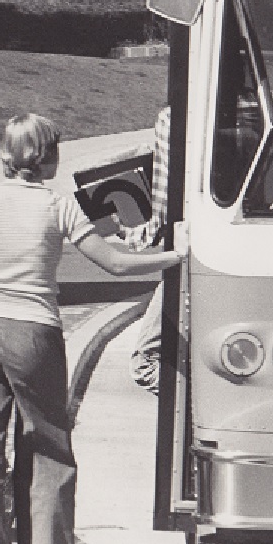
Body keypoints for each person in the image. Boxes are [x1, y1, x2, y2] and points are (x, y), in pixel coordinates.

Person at [0, 113, 187, 544]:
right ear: (47, 157)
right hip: (34, 333)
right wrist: (178, 255)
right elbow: (119, 265)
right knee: (48, 449)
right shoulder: (57, 207)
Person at [119, 105, 170, 395]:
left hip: (194, 253)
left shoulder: (174, 119)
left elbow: (163, 206)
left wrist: (130, 232)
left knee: (145, 363)